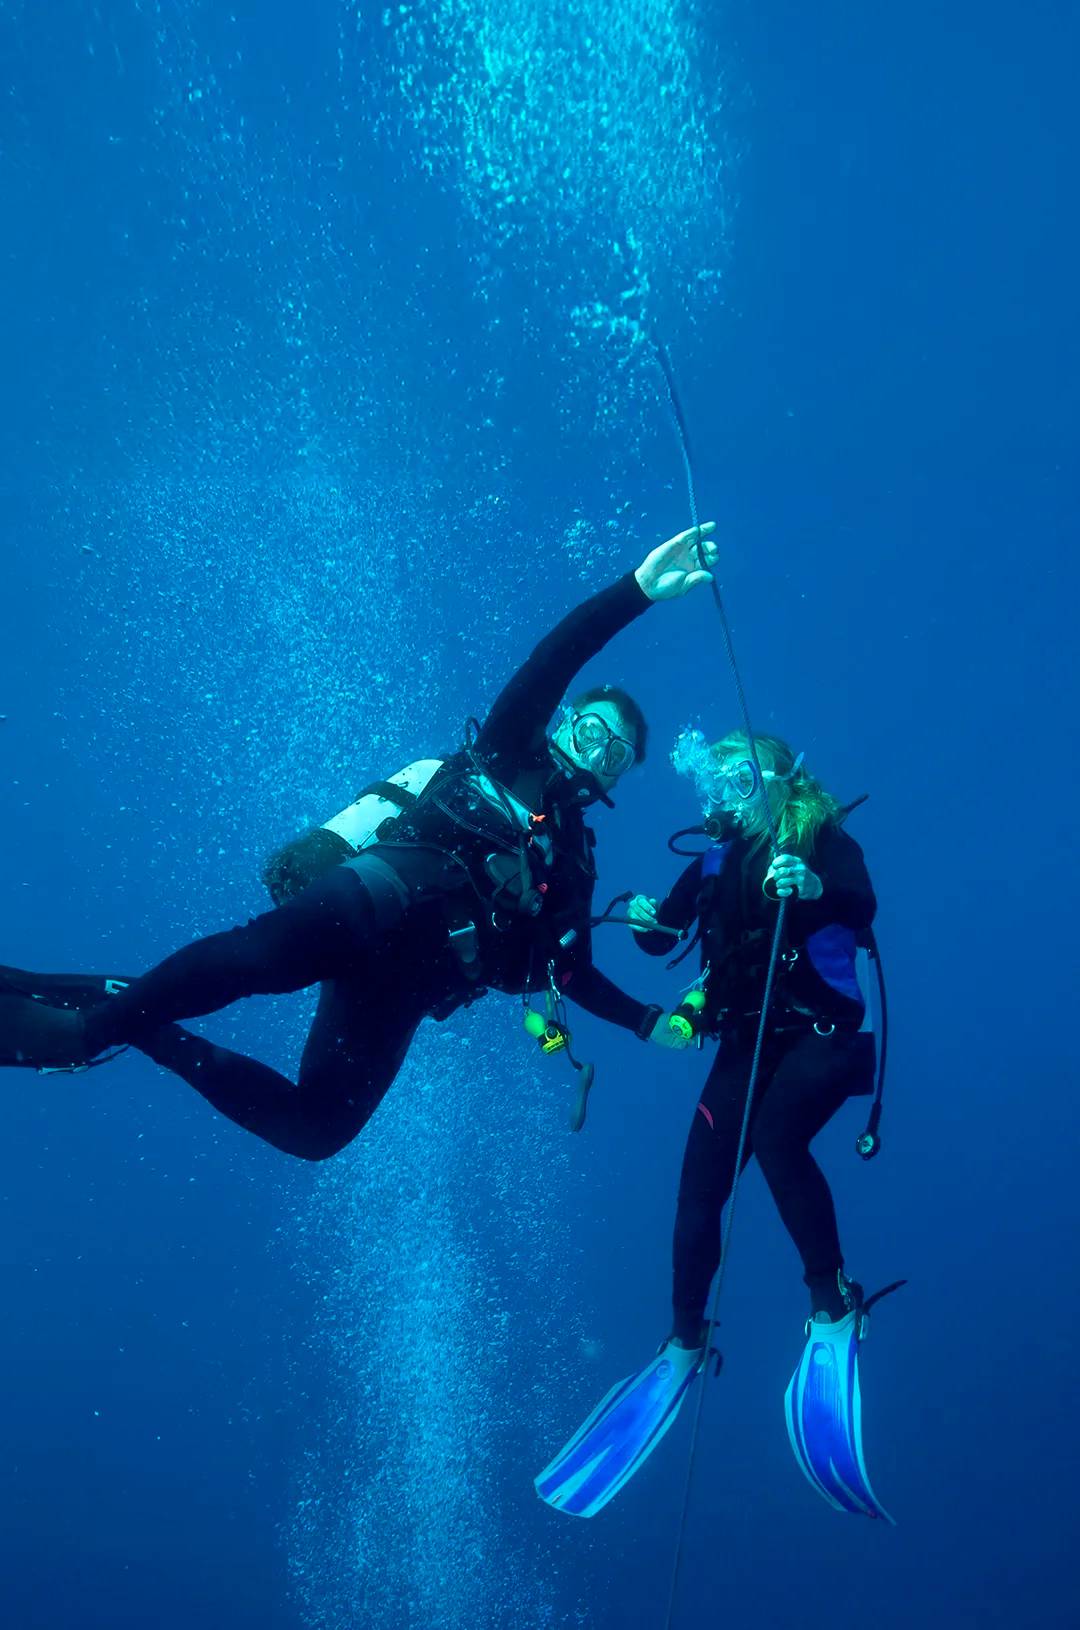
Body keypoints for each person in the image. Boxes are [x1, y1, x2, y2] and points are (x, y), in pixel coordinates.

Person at [0, 524, 716, 1163]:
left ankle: (138, 1015)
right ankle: (87, 1033)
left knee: (317, 1132)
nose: (596, 757)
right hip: (376, 896)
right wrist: (637, 592)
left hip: (406, 986)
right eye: (591, 733)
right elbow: (551, 660)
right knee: (261, 961)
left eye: (615, 756)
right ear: (562, 724)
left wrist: (645, 1021)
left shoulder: (576, 864)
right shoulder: (505, 753)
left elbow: (575, 974)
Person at [535, 728, 898, 1522]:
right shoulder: (707, 861)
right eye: (720, 773)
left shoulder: (820, 839)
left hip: (824, 1038)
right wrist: (639, 920)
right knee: (696, 1190)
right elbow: (666, 932)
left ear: (780, 777)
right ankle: (683, 1342)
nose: (728, 783)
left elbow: (860, 902)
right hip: (743, 1044)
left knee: (775, 1138)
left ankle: (834, 1309)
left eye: (744, 771)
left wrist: (810, 888)